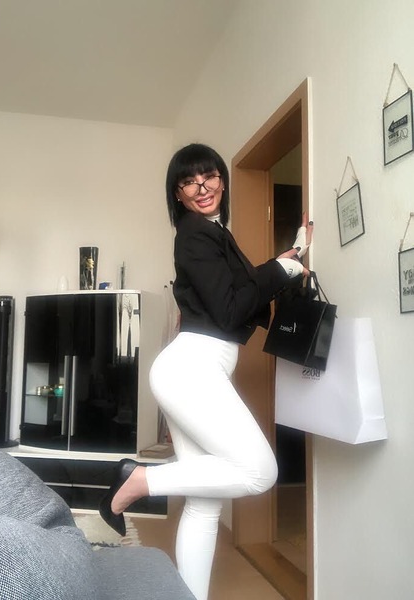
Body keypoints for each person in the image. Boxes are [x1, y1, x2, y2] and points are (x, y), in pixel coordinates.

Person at [100, 143, 313, 600]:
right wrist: (281, 269)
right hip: (191, 369)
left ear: (222, 179)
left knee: (203, 505)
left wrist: (290, 258)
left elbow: (242, 288)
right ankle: (140, 479)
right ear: (177, 193)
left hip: (192, 368)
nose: (203, 187)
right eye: (189, 181)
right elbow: (230, 308)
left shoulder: (214, 233)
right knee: (260, 471)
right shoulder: (195, 234)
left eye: (210, 176)